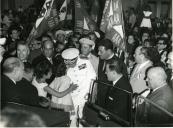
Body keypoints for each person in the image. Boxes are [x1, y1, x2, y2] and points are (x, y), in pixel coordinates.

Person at [61, 48, 96, 126]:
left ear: (76, 58)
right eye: (68, 63)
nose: (70, 65)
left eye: (72, 63)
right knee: (71, 118)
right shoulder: (65, 67)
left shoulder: (85, 62)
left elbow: (93, 78)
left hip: (84, 95)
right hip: (72, 97)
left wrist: (89, 93)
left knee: (83, 118)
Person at [97, 39, 127, 107]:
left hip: (110, 100)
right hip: (100, 97)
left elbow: (122, 86)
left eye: (101, 51)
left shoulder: (119, 64)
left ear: (109, 51)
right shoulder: (101, 59)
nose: (98, 53)